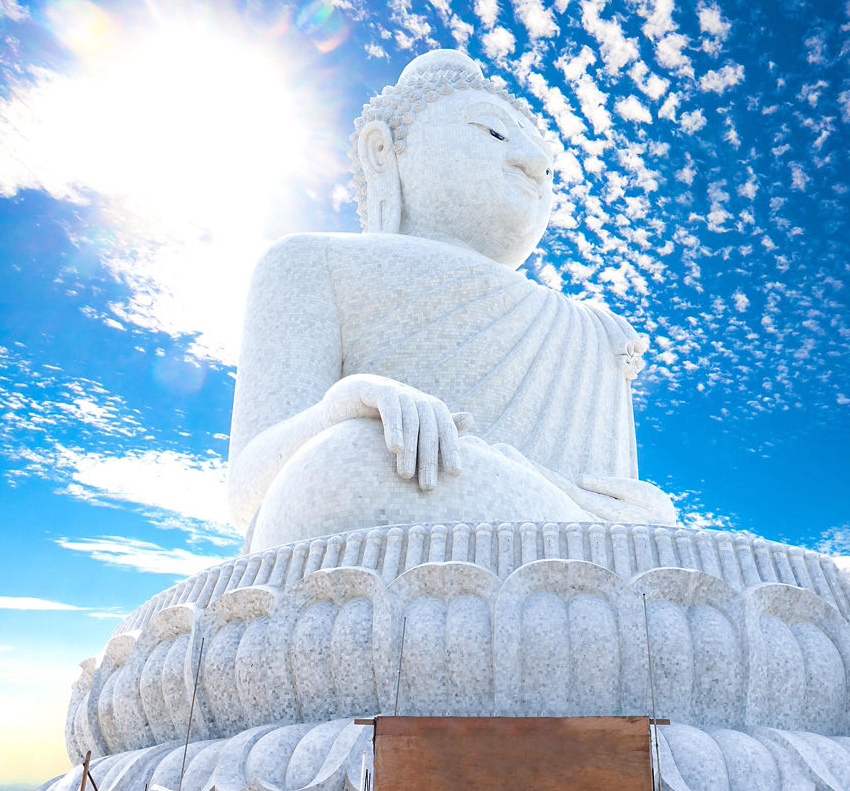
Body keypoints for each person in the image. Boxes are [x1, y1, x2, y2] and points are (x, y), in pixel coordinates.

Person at [227, 50, 675, 552]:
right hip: (393, 497)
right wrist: (340, 408)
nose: (536, 163)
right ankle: (604, 553)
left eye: (545, 160)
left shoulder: (593, 328)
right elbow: (248, 492)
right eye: (495, 133)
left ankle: (611, 551)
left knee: (660, 536)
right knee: (348, 463)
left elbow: (612, 496)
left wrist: (639, 522)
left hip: (546, 521)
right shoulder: (310, 261)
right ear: (383, 150)